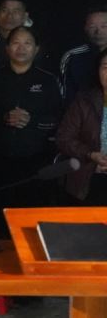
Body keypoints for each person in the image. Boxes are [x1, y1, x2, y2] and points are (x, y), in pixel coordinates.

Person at [0, 26, 62, 232]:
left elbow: (58, 118)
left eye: (27, 43)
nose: (21, 48)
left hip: (34, 163)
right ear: (7, 48)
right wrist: (3, 117)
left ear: (36, 49)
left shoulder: (48, 80)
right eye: (16, 43)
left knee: (30, 216)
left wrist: (32, 120)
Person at [56, 47, 107, 204]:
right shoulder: (84, 101)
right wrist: (90, 154)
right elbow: (64, 138)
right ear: (98, 71)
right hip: (91, 178)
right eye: (105, 67)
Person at [59, 6, 107, 103]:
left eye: (104, 26)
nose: (98, 31)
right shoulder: (72, 56)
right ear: (85, 28)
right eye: (92, 27)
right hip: (82, 109)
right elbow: (65, 95)